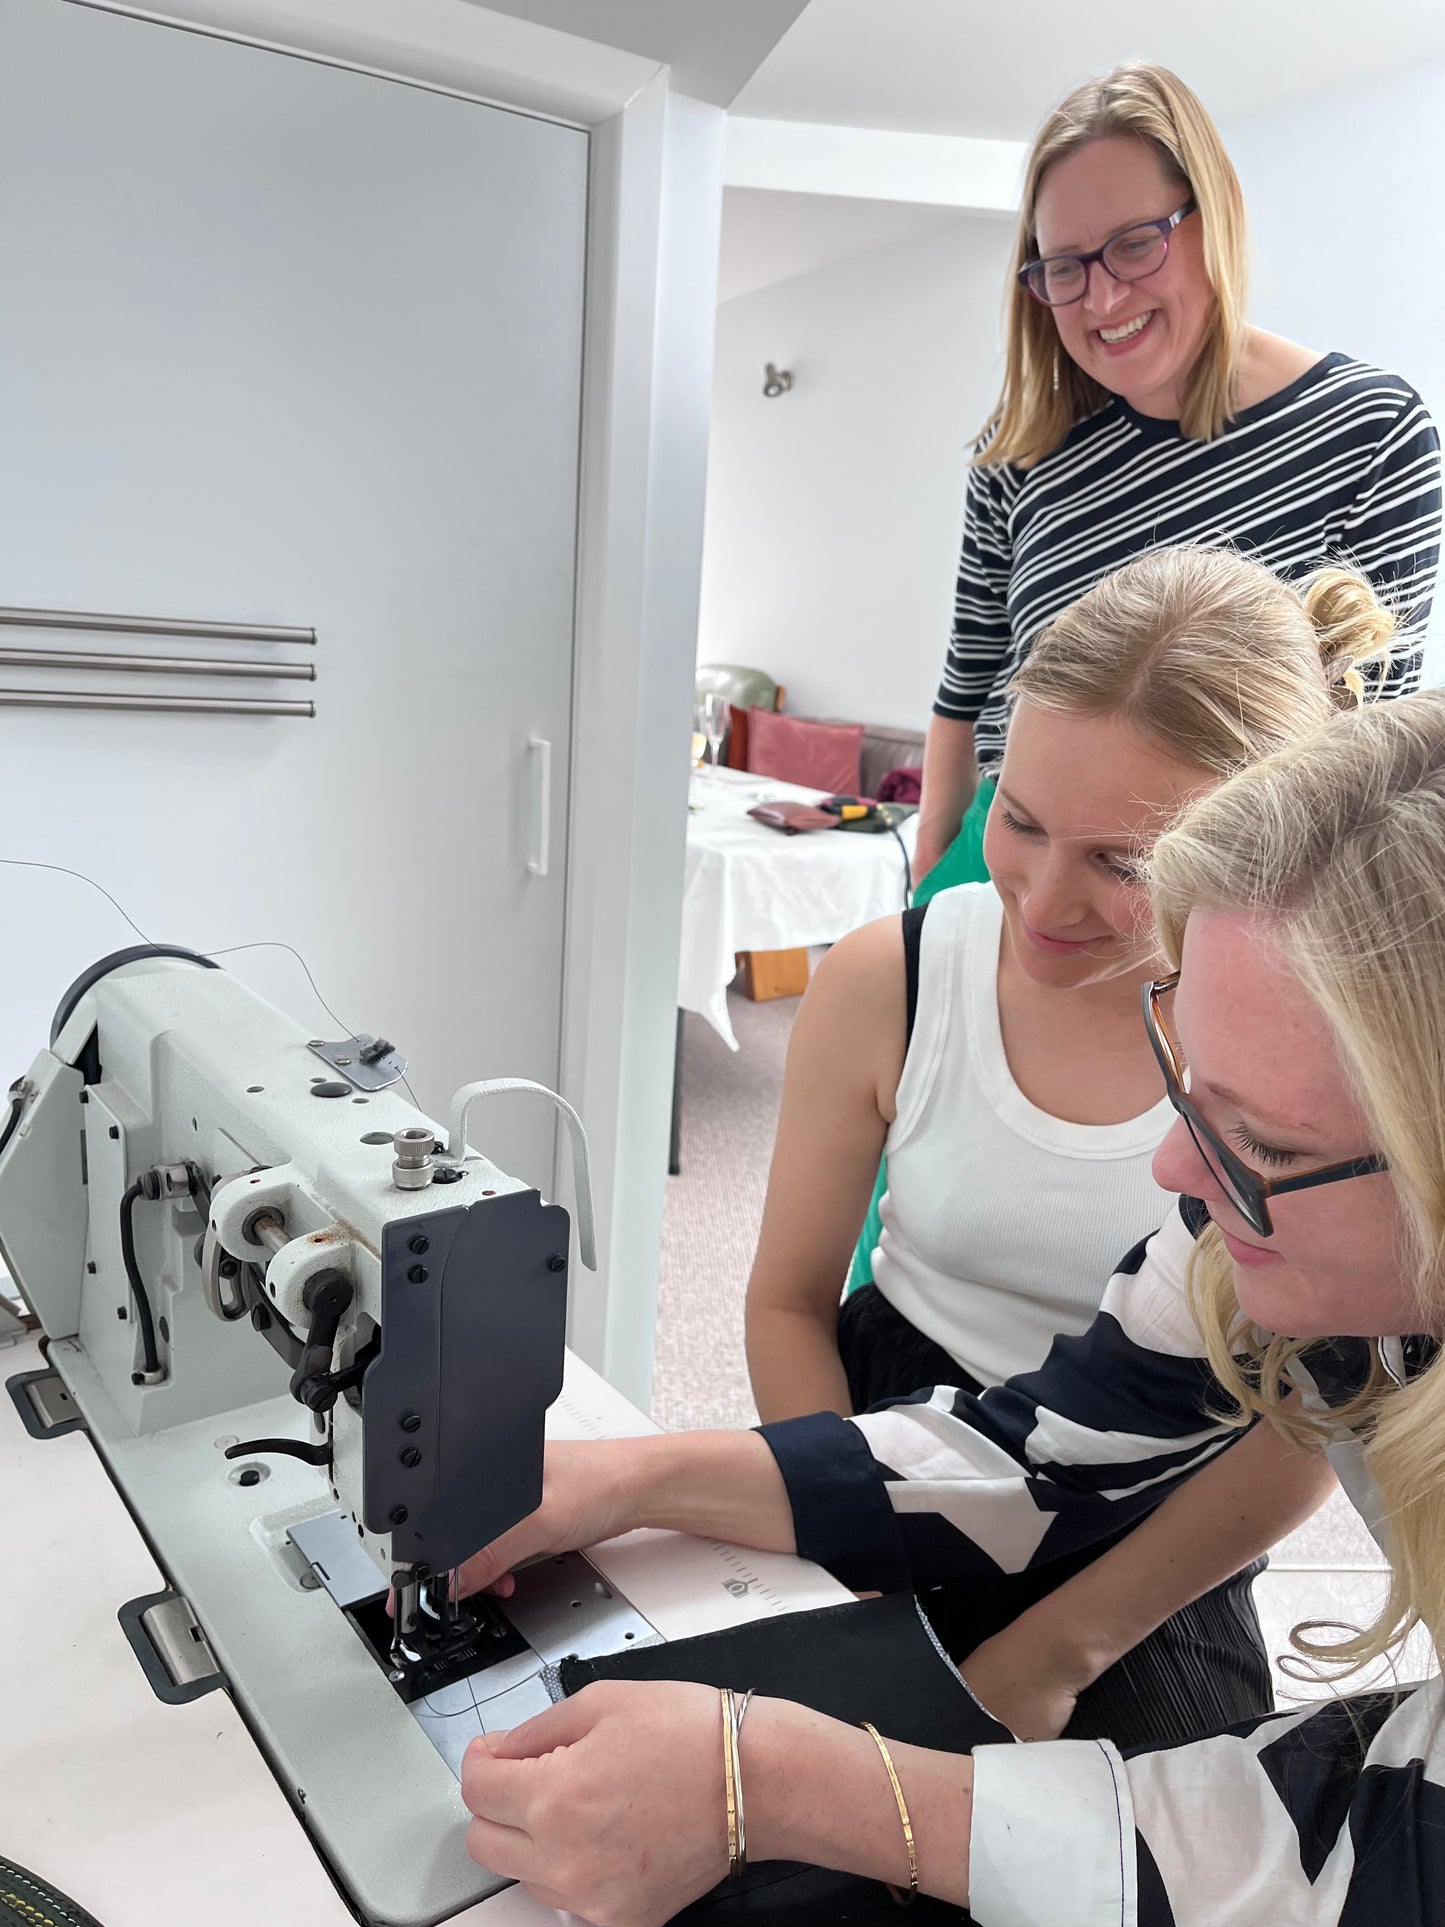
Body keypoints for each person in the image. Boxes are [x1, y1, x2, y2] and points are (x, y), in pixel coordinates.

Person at [455, 689, 1445, 1926]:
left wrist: (774, 1780)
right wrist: (624, 1475)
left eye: (1259, 1141)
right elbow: (1036, 1453)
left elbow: (1363, 1856)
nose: (1174, 1172)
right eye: (1189, 1086)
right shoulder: (1236, 1212)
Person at [744, 546, 1390, 1746]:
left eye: (1121, 863)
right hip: (889, 1407)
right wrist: (844, 1545)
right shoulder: (891, 977)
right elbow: (786, 1298)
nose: (1040, 903)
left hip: (1160, 1524)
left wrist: (1059, 1645)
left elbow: (1301, 1420)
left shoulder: (1302, 1073)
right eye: (1019, 820)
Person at [914, 61, 1440, 895]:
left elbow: (1363, 755)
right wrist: (922, 898)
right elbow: (965, 686)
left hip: (1225, 889)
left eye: (1133, 243)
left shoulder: (1369, 433)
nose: (1100, 297)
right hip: (1001, 861)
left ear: (1211, 217)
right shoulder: (1020, 454)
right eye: (1064, 266)